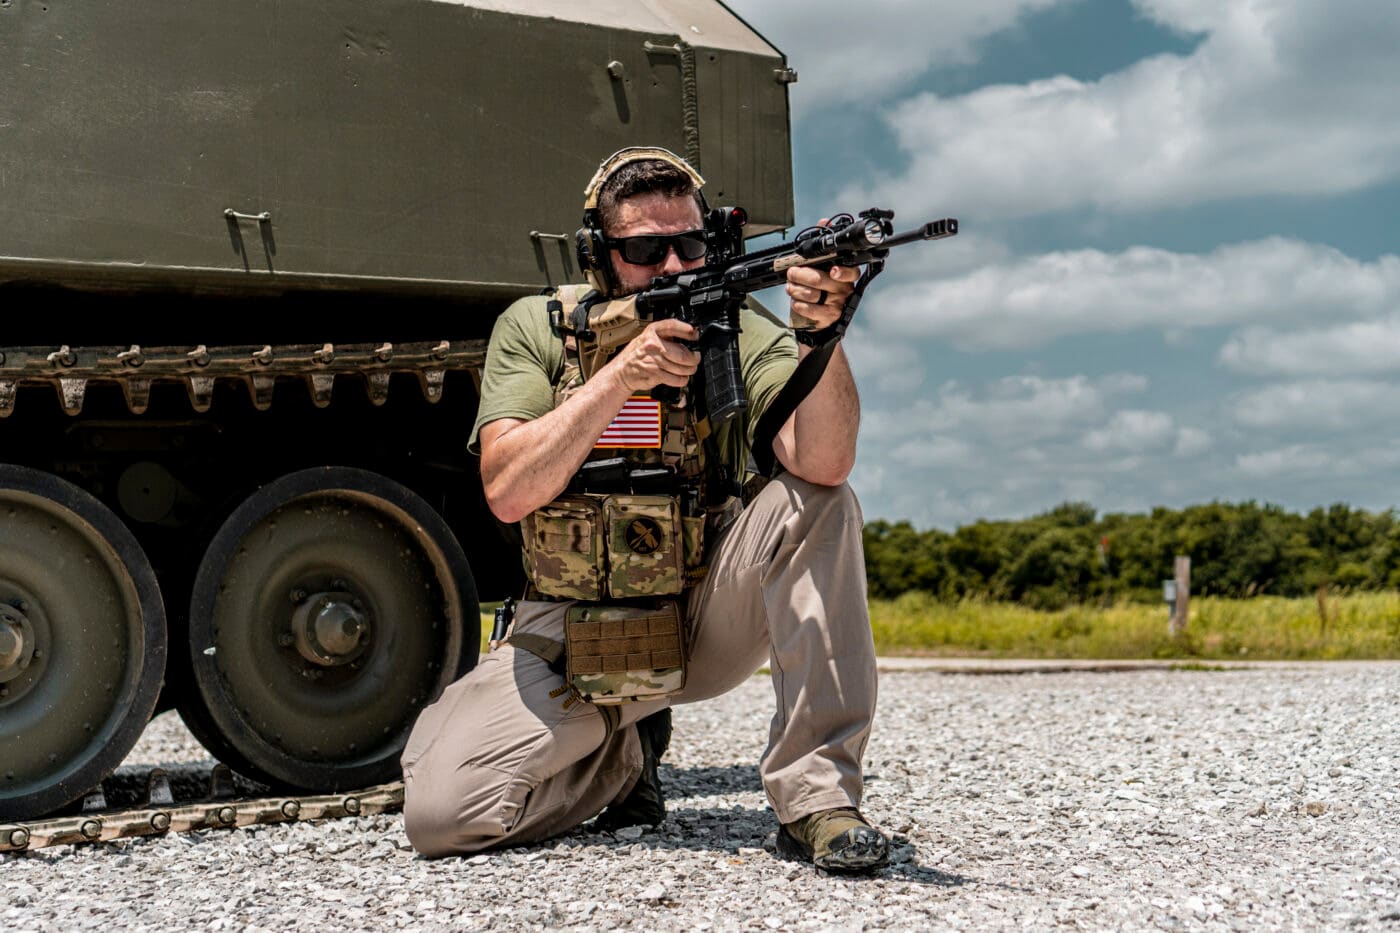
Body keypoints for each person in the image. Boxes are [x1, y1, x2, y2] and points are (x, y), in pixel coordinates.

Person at [401, 147, 888, 873]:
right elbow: (507, 489)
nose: (672, 268)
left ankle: (818, 800)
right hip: (568, 634)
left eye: (689, 245)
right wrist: (621, 377)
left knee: (818, 502)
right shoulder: (540, 328)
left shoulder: (739, 326)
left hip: (698, 619)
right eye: (642, 250)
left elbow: (822, 462)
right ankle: (622, 755)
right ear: (600, 255)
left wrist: (823, 336)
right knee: (445, 814)